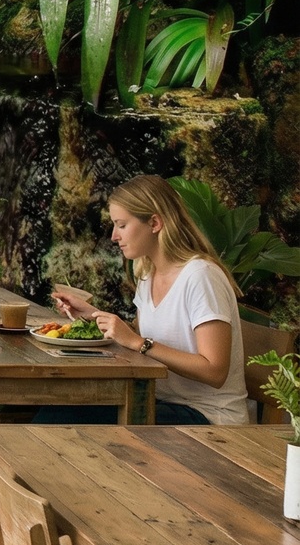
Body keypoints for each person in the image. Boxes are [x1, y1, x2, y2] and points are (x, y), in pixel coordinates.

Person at [44, 174, 249, 426]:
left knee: (64, 421)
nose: (113, 237)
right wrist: (92, 314)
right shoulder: (148, 273)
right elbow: (142, 344)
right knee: (57, 409)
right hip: (159, 403)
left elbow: (215, 371)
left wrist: (138, 342)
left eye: (121, 225)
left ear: (154, 223)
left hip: (208, 416)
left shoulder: (200, 276)